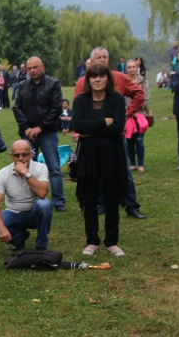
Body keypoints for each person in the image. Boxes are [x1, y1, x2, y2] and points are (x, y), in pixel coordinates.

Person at [74, 47, 146, 219]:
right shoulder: (83, 82)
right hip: (90, 138)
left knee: (123, 172)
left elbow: (139, 94)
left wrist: (125, 114)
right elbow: (78, 116)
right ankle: (101, 203)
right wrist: (81, 130)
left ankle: (130, 205)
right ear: (91, 60)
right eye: (98, 57)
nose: (102, 59)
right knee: (95, 173)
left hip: (113, 135)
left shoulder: (119, 77)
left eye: (105, 57)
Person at [72, 63, 128, 257]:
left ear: (107, 78)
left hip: (112, 155)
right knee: (90, 199)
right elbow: (77, 125)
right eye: (93, 76)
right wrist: (104, 121)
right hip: (88, 156)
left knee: (111, 199)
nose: (97, 80)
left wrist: (90, 130)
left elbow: (118, 127)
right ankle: (92, 241)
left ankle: (112, 241)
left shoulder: (117, 99)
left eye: (101, 76)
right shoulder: (81, 100)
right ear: (87, 80)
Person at [13, 56, 67, 212]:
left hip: (48, 132)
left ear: (42, 66)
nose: (32, 71)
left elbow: (56, 108)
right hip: (28, 134)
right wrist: (26, 128)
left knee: (54, 168)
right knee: (27, 167)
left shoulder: (53, 84)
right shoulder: (23, 85)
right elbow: (17, 108)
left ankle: (58, 201)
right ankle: (29, 199)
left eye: (35, 67)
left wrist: (40, 127)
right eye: (29, 68)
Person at [0, 140, 53, 252]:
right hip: (14, 212)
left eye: (25, 154)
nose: (21, 158)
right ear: (11, 156)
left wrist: (26, 173)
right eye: (17, 155)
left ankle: (41, 246)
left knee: (44, 204)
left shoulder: (41, 168)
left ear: (31, 154)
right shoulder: (3, 173)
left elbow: (42, 193)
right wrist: (1, 228)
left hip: (35, 212)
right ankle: (19, 239)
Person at [125, 60, 150, 173]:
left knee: (139, 140)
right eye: (129, 67)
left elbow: (145, 99)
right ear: (126, 69)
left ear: (137, 68)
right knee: (129, 140)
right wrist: (127, 110)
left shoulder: (144, 82)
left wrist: (134, 109)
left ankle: (141, 164)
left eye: (134, 67)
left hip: (140, 115)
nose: (132, 69)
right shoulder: (123, 82)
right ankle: (132, 163)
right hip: (127, 116)